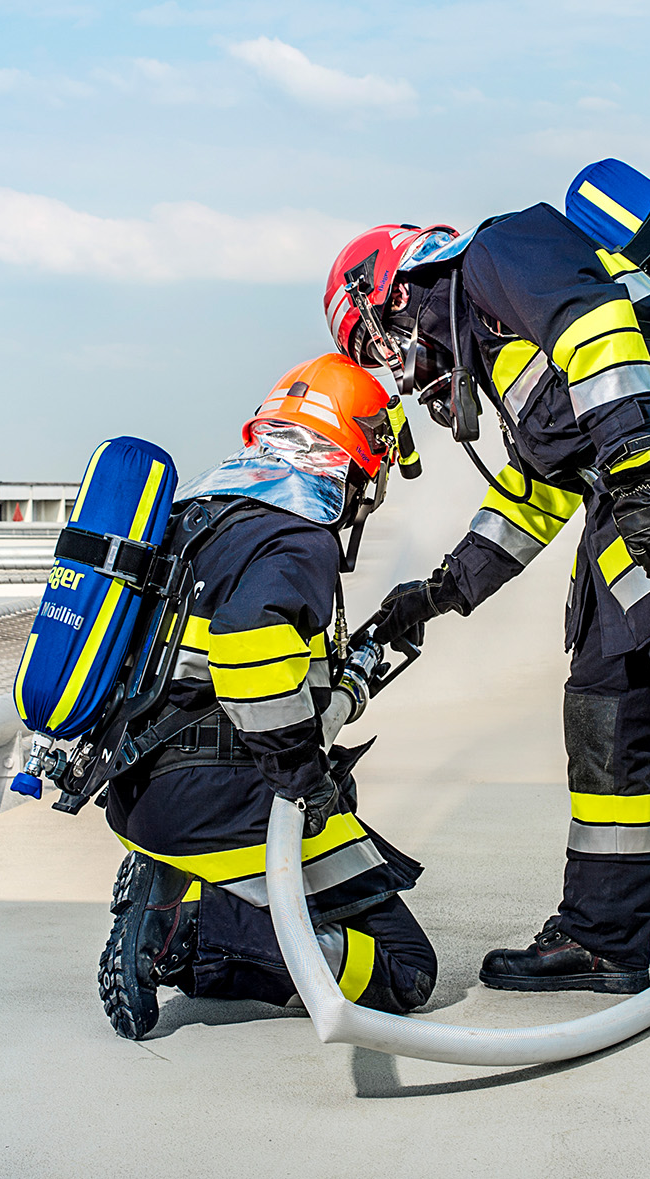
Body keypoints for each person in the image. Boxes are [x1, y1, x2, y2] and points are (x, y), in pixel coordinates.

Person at [322, 214, 650, 1023]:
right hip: (635, 527)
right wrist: (440, 591)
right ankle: (602, 937)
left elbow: (601, 331)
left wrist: (640, 480)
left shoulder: (500, 252)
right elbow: (539, 489)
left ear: (391, 292)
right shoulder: (493, 339)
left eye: (378, 346)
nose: (395, 369)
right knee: (602, 722)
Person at [99, 353, 437, 1039]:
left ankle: (171, 884)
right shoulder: (296, 535)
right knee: (406, 969)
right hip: (222, 799)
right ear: (352, 460)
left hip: (141, 785)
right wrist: (305, 783)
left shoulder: (199, 513)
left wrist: (352, 669)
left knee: (334, 829)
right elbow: (250, 652)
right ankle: (180, 930)